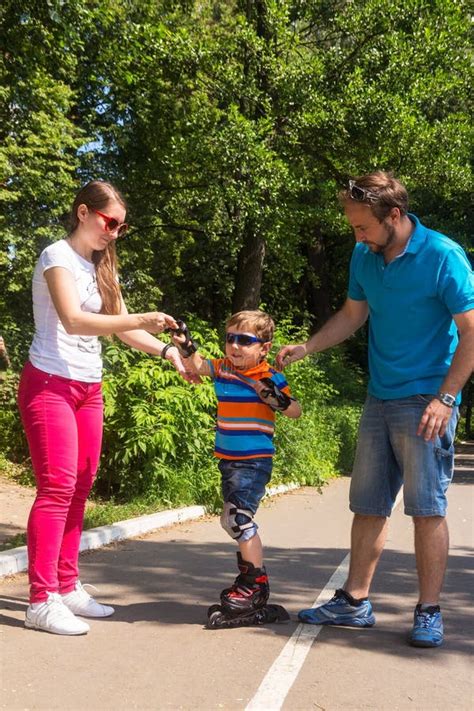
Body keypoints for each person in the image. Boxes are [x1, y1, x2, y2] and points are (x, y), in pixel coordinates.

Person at [277, 171, 474, 648]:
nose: (357, 236)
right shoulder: (365, 255)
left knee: (426, 509)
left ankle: (428, 610)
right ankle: (354, 601)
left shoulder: (443, 256)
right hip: (379, 396)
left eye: (363, 226)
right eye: (353, 227)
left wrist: (446, 399)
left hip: (426, 399)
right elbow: (352, 314)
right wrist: (308, 346)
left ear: (395, 216)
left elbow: (471, 331)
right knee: (367, 505)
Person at [18, 180, 190, 636]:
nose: (114, 232)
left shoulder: (102, 268)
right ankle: (41, 599)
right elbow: (75, 319)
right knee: (55, 487)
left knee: (80, 484)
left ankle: (67, 584)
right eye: (108, 222)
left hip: (88, 388)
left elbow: (122, 331)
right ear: (83, 213)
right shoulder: (56, 257)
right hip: (49, 383)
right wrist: (139, 318)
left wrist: (168, 352)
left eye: (121, 226)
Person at [170, 310, 302, 627]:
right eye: (230, 338)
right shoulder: (224, 368)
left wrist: (275, 399)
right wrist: (187, 347)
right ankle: (249, 582)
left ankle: (254, 586)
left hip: (255, 460)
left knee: (239, 519)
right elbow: (198, 367)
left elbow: (295, 410)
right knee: (231, 521)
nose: (235, 346)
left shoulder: (268, 375)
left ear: (264, 348)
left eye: (245, 340)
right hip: (228, 460)